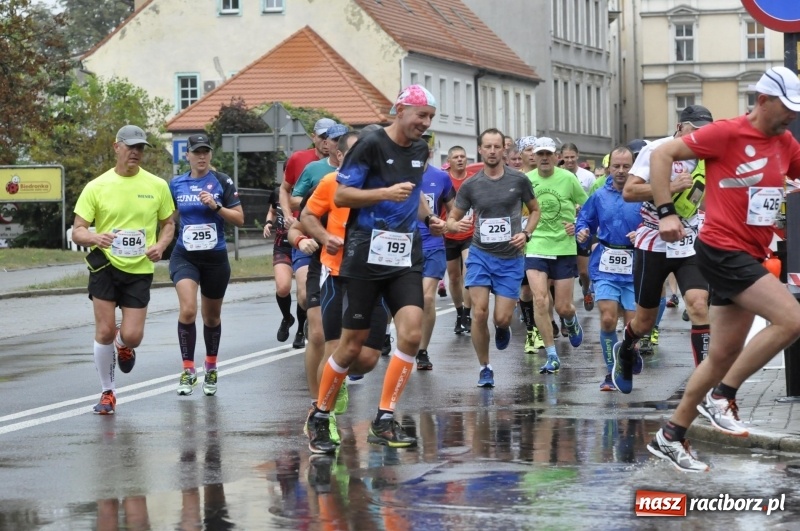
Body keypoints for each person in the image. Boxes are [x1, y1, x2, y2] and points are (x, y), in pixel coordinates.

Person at [647, 66, 800, 472]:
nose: (792, 116)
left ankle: (671, 435)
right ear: (762, 100)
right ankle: (723, 396)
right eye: (786, 108)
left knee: (721, 354)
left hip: (749, 253)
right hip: (721, 248)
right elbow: (664, 153)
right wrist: (665, 212)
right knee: (792, 320)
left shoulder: (785, 142)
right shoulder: (727, 133)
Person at [304, 85, 446, 454]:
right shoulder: (369, 144)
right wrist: (384, 194)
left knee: (411, 335)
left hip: (404, 255)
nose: (425, 123)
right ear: (399, 111)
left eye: (431, 116)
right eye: (421, 115)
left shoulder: (420, 148)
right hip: (364, 253)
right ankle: (320, 414)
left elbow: (412, 197)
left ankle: (384, 418)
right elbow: (342, 196)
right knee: (351, 347)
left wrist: (433, 220)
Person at [71, 125, 175, 414]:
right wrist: (94, 237)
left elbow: (168, 224)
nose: (136, 152)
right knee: (103, 331)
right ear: (116, 147)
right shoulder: (97, 186)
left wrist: (162, 245)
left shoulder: (157, 185)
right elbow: (77, 231)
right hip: (104, 265)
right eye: (130, 146)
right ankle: (107, 392)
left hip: (139, 269)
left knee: (133, 336)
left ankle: (123, 343)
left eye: (140, 147)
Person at [294, 129, 389, 445]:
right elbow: (302, 220)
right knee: (327, 342)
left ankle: (339, 378)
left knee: (367, 359)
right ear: (339, 157)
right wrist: (320, 239)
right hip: (334, 272)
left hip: (374, 276)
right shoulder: (329, 183)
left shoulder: (386, 186)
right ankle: (324, 416)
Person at [614, 105, 714, 394]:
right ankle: (626, 350)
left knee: (697, 304)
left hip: (689, 240)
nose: (700, 135)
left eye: (705, 130)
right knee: (643, 322)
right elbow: (630, 192)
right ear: (680, 127)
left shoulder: (709, 155)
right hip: (654, 240)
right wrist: (668, 186)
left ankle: (704, 385)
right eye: (695, 129)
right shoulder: (657, 150)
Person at [446, 128, 540, 387]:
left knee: (500, 317)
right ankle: (485, 367)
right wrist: (454, 226)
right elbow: (453, 216)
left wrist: (527, 233)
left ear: (504, 150)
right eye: (487, 146)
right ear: (480, 150)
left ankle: (502, 327)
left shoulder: (518, 180)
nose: (491, 151)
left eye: (496, 146)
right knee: (479, 312)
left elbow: (534, 210)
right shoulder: (471, 185)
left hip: (510, 258)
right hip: (480, 254)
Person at [169, 134, 244, 396]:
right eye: (196, 152)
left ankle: (210, 366)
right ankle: (188, 370)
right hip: (185, 256)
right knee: (188, 310)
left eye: (206, 152)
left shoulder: (221, 181)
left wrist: (216, 206)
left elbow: (239, 219)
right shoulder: (176, 184)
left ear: (211, 155)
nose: (201, 157)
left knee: (211, 317)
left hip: (215, 258)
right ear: (187, 155)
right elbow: (168, 219)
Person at [575, 146, 641, 391]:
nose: (621, 171)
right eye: (617, 166)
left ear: (633, 167)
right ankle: (612, 371)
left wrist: (643, 233)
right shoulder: (599, 196)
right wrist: (582, 232)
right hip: (605, 264)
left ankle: (630, 355)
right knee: (608, 319)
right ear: (608, 168)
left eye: (626, 166)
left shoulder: (643, 195)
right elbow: (585, 221)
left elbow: (657, 223)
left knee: (633, 327)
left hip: (635, 265)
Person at [525, 137, 588, 374]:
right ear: (535, 157)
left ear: (555, 157)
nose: (543, 158)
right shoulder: (526, 180)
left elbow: (587, 207)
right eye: (539, 153)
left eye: (548, 154)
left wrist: (577, 224)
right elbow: (516, 210)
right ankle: (551, 355)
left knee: (563, 307)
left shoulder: (568, 178)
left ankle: (570, 321)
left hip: (563, 247)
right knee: (540, 300)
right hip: (536, 245)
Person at [277, 118, 335, 347]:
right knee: (302, 295)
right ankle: (306, 326)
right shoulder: (302, 160)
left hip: (338, 242)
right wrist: (288, 213)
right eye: (322, 137)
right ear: (314, 137)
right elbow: (287, 191)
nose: (326, 142)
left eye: (331, 138)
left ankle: (321, 336)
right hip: (306, 234)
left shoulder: (349, 166)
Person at [416, 131, 456, 370]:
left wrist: (446, 225)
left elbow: (454, 210)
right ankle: (385, 336)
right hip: (400, 247)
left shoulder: (440, 177)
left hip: (432, 245)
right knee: (392, 299)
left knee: (427, 297)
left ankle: (422, 350)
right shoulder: (395, 177)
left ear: (428, 153)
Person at [561, 143, 597, 312]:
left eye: (572, 157)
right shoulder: (557, 175)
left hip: (582, 227)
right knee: (566, 273)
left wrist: (582, 208)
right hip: (563, 229)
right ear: (561, 157)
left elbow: (593, 201)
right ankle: (567, 308)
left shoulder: (588, 177)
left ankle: (586, 289)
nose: (569, 160)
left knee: (583, 272)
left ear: (577, 156)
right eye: (566, 157)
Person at [443, 145, 476, 334]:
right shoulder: (444, 179)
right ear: (449, 160)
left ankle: (467, 314)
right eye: (456, 157)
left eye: (463, 156)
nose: (460, 159)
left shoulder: (471, 181)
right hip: (448, 234)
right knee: (454, 278)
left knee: (469, 272)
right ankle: (458, 312)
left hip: (469, 234)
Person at [263, 186, 294, 341]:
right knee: (282, 288)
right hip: (282, 246)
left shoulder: (311, 189)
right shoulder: (277, 192)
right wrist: (269, 223)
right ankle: (287, 318)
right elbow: (273, 211)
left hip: (305, 245)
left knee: (304, 295)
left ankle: (301, 331)